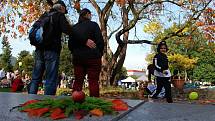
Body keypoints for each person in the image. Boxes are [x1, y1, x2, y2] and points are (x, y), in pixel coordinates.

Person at [28, 0, 73, 95]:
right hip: (52, 50)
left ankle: (30, 100)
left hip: (39, 50)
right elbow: (68, 30)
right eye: (64, 10)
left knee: (36, 78)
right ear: (62, 8)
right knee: (50, 78)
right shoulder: (59, 15)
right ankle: (47, 103)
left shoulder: (44, 15)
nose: (64, 12)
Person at [68, 8, 104, 97]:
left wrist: (75, 52)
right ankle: (94, 103)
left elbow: (70, 44)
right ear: (87, 14)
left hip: (78, 58)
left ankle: (75, 102)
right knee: (93, 81)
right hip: (93, 57)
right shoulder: (94, 25)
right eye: (90, 14)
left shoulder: (74, 27)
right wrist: (99, 53)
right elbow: (100, 42)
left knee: (78, 80)